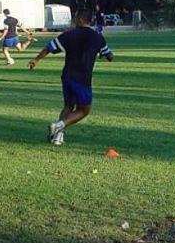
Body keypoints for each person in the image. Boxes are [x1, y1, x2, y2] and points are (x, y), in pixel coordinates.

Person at [30, 10, 113, 146]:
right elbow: (110, 56)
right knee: (84, 110)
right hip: (82, 78)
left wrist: (36, 59)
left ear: (80, 19)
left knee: (68, 106)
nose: (73, 21)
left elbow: (49, 47)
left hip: (67, 76)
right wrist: (101, 47)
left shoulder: (69, 35)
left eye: (75, 18)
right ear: (89, 21)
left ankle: (58, 137)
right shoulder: (97, 37)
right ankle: (58, 126)